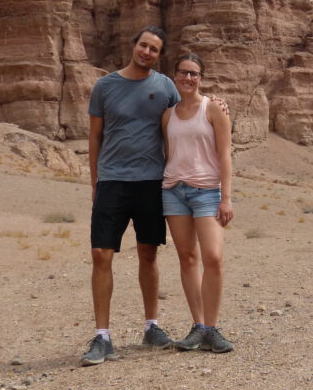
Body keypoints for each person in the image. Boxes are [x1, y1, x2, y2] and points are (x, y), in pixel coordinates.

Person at [80, 25, 180, 366]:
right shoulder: (105, 86)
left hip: (151, 182)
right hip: (112, 182)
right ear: (133, 45)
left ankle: (152, 326)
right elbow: (95, 136)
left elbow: (186, 115)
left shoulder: (166, 85)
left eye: (154, 49)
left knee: (148, 254)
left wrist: (218, 104)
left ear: (159, 54)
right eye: (143, 45)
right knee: (100, 254)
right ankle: (102, 336)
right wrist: (95, 179)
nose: (147, 52)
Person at [162, 53, 235, 353]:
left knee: (213, 258)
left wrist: (226, 197)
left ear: (201, 78)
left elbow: (225, 154)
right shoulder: (167, 115)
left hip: (207, 192)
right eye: (183, 73)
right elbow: (168, 153)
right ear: (175, 76)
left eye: (194, 74)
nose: (188, 78)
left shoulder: (214, 109)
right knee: (187, 258)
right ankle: (198, 326)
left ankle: (212, 327)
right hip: (174, 191)